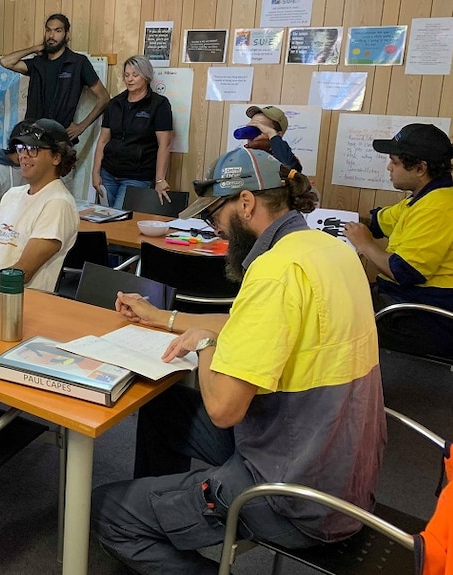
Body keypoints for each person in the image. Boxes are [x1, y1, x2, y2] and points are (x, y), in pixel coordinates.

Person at [92, 147, 386, 574]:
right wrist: (165, 317)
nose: (216, 231)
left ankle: (157, 515)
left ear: (245, 202)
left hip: (293, 497)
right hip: (342, 471)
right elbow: (246, 321)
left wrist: (204, 345)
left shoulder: (275, 270)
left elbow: (224, 410)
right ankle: (167, 504)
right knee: (165, 407)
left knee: (108, 509)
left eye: (215, 216)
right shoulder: (328, 249)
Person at [343, 123, 453, 358]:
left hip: (423, 316)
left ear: (420, 168)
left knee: (329, 315)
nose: (388, 167)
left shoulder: (439, 207)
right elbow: (376, 222)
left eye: (394, 162)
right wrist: (328, 217)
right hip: (402, 300)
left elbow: (405, 272)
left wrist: (365, 245)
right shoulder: (423, 197)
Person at [0, 118, 79, 292]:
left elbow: (22, 272)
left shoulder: (58, 204)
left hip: (14, 300)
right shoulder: (12, 195)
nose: (23, 155)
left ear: (56, 157)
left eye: (33, 149)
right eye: (21, 148)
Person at [0, 14, 109, 141]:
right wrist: (34, 48)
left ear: (67, 35)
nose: (51, 35)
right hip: (33, 134)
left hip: (60, 136)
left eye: (58, 30)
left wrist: (81, 127)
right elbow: (5, 62)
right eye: (48, 30)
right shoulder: (37, 63)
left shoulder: (77, 63)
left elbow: (104, 98)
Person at [92, 55, 173, 207]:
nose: (130, 79)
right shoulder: (115, 103)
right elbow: (103, 140)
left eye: (135, 75)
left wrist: (160, 179)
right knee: (103, 218)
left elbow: (165, 145)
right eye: (127, 75)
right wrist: (95, 172)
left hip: (137, 177)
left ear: (146, 77)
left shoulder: (159, 105)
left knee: (120, 220)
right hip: (108, 173)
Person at [242, 105, 303, 172]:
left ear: (277, 135)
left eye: (260, 128)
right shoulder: (240, 156)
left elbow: (291, 169)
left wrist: (273, 135)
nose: (251, 134)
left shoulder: (283, 157)